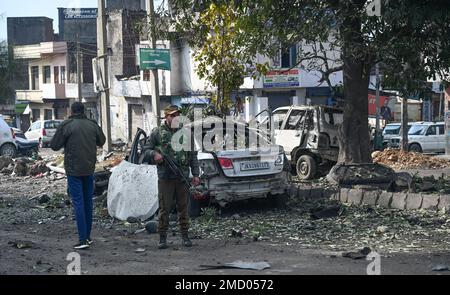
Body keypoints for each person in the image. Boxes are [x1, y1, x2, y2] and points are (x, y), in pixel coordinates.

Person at [50, 102, 106, 250]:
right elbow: (102, 141)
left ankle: (82, 240)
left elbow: (54, 145)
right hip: (89, 169)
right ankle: (87, 237)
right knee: (88, 203)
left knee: (79, 203)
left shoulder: (67, 125)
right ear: (84, 111)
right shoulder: (92, 124)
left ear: (71, 111)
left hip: (74, 171)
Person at [143, 105, 200, 249]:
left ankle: (185, 236)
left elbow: (193, 155)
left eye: (177, 115)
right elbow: (146, 150)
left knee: (183, 208)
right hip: (165, 177)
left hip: (182, 176)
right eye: (172, 116)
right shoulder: (157, 133)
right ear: (166, 117)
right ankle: (162, 238)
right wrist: (154, 154)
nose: (175, 118)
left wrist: (196, 174)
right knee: (165, 208)